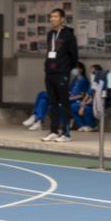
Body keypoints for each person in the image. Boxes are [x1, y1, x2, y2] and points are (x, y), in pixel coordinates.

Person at [42, 8, 79, 142]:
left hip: (62, 73)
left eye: (55, 16)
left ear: (62, 19)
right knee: (52, 103)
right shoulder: (50, 34)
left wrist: (66, 68)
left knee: (64, 103)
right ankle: (53, 130)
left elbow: (74, 56)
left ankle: (66, 133)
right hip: (50, 73)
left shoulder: (68, 35)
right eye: (51, 17)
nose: (52, 19)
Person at [69, 63, 94, 132]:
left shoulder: (84, 80)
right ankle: (80, 125)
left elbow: (84, 95)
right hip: (74, 100)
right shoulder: (74, 80)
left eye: (76, 68)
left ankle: (90, 125)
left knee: (74, 106)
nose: (74, 70)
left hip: (79, 101)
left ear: (81, 70)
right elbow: (70, 91)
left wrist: (83, 104)